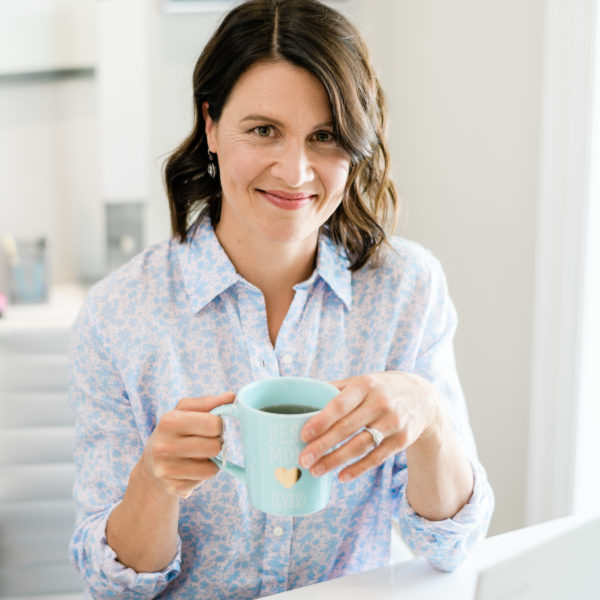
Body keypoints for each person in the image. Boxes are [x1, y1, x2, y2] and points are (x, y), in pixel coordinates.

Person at [68, 0, 494, 598]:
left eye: (324, 137)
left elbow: (451, 545)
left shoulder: (406, 289)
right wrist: (154, 485)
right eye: (263, 130)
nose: (295, 172)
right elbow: (116, 588)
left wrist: (427, 419)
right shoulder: (119, 314)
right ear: (211, 126)